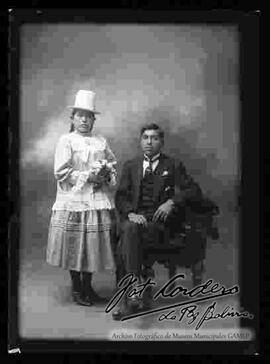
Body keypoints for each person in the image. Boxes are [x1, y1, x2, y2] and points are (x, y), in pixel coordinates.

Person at [112, 123, 203, 319]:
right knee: (130, 229)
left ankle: (131, 295)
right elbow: (120, 196)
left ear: (161, 142)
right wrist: (130, 213)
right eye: (145, 138)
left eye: (154, 138)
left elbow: (193, 190)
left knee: (126, 237)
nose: (149, 142)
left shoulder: (173, 165)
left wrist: (172, 201)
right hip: (135, 220)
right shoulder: (131, 165)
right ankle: (136, 289)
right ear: (140, 141)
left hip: (160, 225)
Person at [46, 90, 117, 306]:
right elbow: (61, 171)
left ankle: (88, 286)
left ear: (94, 119)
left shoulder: (100, 141)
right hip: (74, 200)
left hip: (95, 200)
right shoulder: (66, 140)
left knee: (92, 245)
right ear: (73, 118)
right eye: (80, 115)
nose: (84, 120)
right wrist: (88, 176)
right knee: (76, 244)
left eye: (89, 116)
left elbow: (112, 164)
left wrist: (105, 175)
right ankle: (77, 288)